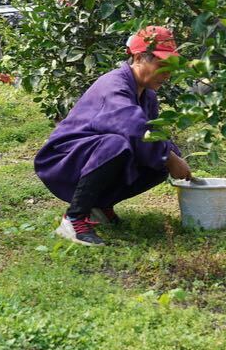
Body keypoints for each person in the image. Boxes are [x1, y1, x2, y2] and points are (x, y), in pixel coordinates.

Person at [34, 26, 193, 246]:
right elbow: (134, 127)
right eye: (162, 65)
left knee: (159, 161)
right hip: (64, 160)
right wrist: (169, 157)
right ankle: (74, 218)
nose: (168, 73)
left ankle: (100, 205)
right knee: (118, 145)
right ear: (139, 58)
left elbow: (153, 134)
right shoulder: (114, 85)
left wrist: (172, 155)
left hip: (92, 155)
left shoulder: (148, 95)